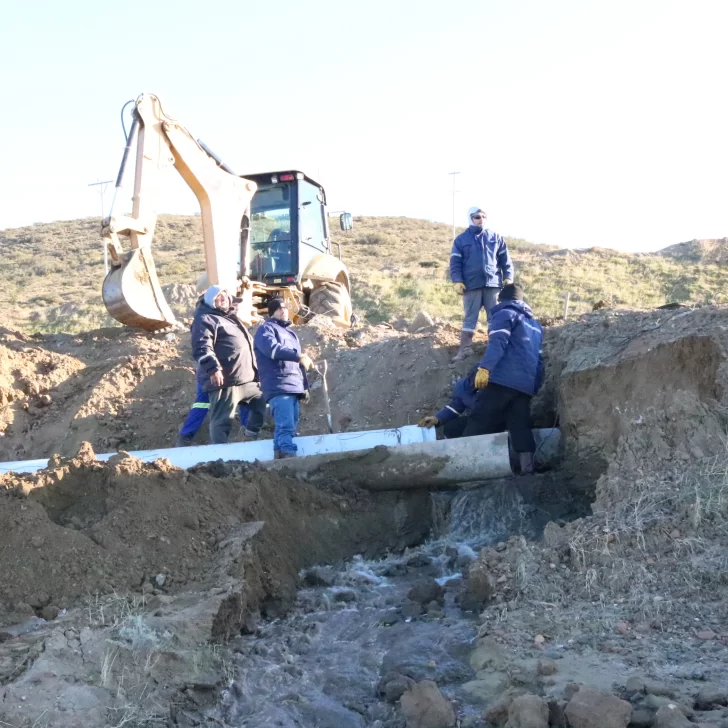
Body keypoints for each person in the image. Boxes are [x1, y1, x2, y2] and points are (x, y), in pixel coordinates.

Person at [461, 283, 544, 474]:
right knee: (520, 424)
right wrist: (534, 386)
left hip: (501, 381)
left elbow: (497, 344)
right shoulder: (536, 326)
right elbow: (539, 361)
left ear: (501, 300)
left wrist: (485, 369)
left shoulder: (504, 314)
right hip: (525, 386)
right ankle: (527, 468)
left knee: (479, 419)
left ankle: (463, 464)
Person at [191, 285, 266, 445]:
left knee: (262, 404)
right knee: (222, 421)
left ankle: (249, 435)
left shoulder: (231, 319)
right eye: (218, 297)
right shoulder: (205, 319)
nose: (222, 298)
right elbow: (202, 347)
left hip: (247, 380)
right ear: (211, 301)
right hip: (226, 382)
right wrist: (213, 369)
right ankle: (221, 457)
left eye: (224, 295)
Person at [450, 206, 514, 362]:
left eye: (484, 216)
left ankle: (496, 349)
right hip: (471, 286)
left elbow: (505, 260)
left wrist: (508, 277)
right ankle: (465, 349)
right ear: (470, 218)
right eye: (477, 217)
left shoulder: (495, 237)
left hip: (493, 285)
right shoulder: (461, 240)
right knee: (470, 318)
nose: (481, 219)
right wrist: (457, 280)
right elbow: (455, 263)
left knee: (495, 317)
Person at [254, 298, 313, 459]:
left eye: (285, 308)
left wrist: (304, 386)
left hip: (293, 386)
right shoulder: (266, 329)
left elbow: (298, 364)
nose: (284, 310)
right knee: (285, 426)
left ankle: (279, 460)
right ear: (272, 311)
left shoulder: (291, 334)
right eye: (279, 308)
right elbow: (272, 350)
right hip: (278, 385)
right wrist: (297, 355)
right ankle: (288, 457)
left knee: (288, 427)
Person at [175, 380, 252, 447]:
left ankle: (184, 437)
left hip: (210, 375)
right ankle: (248, 434)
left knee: (201, 404)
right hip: (223, 374)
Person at [418, 368, 478, 439]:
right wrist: (437, 419)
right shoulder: (464, 387)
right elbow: (456, 407)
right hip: (476, 419)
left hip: (491, 422)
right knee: (451, 429)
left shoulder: (492, 391)